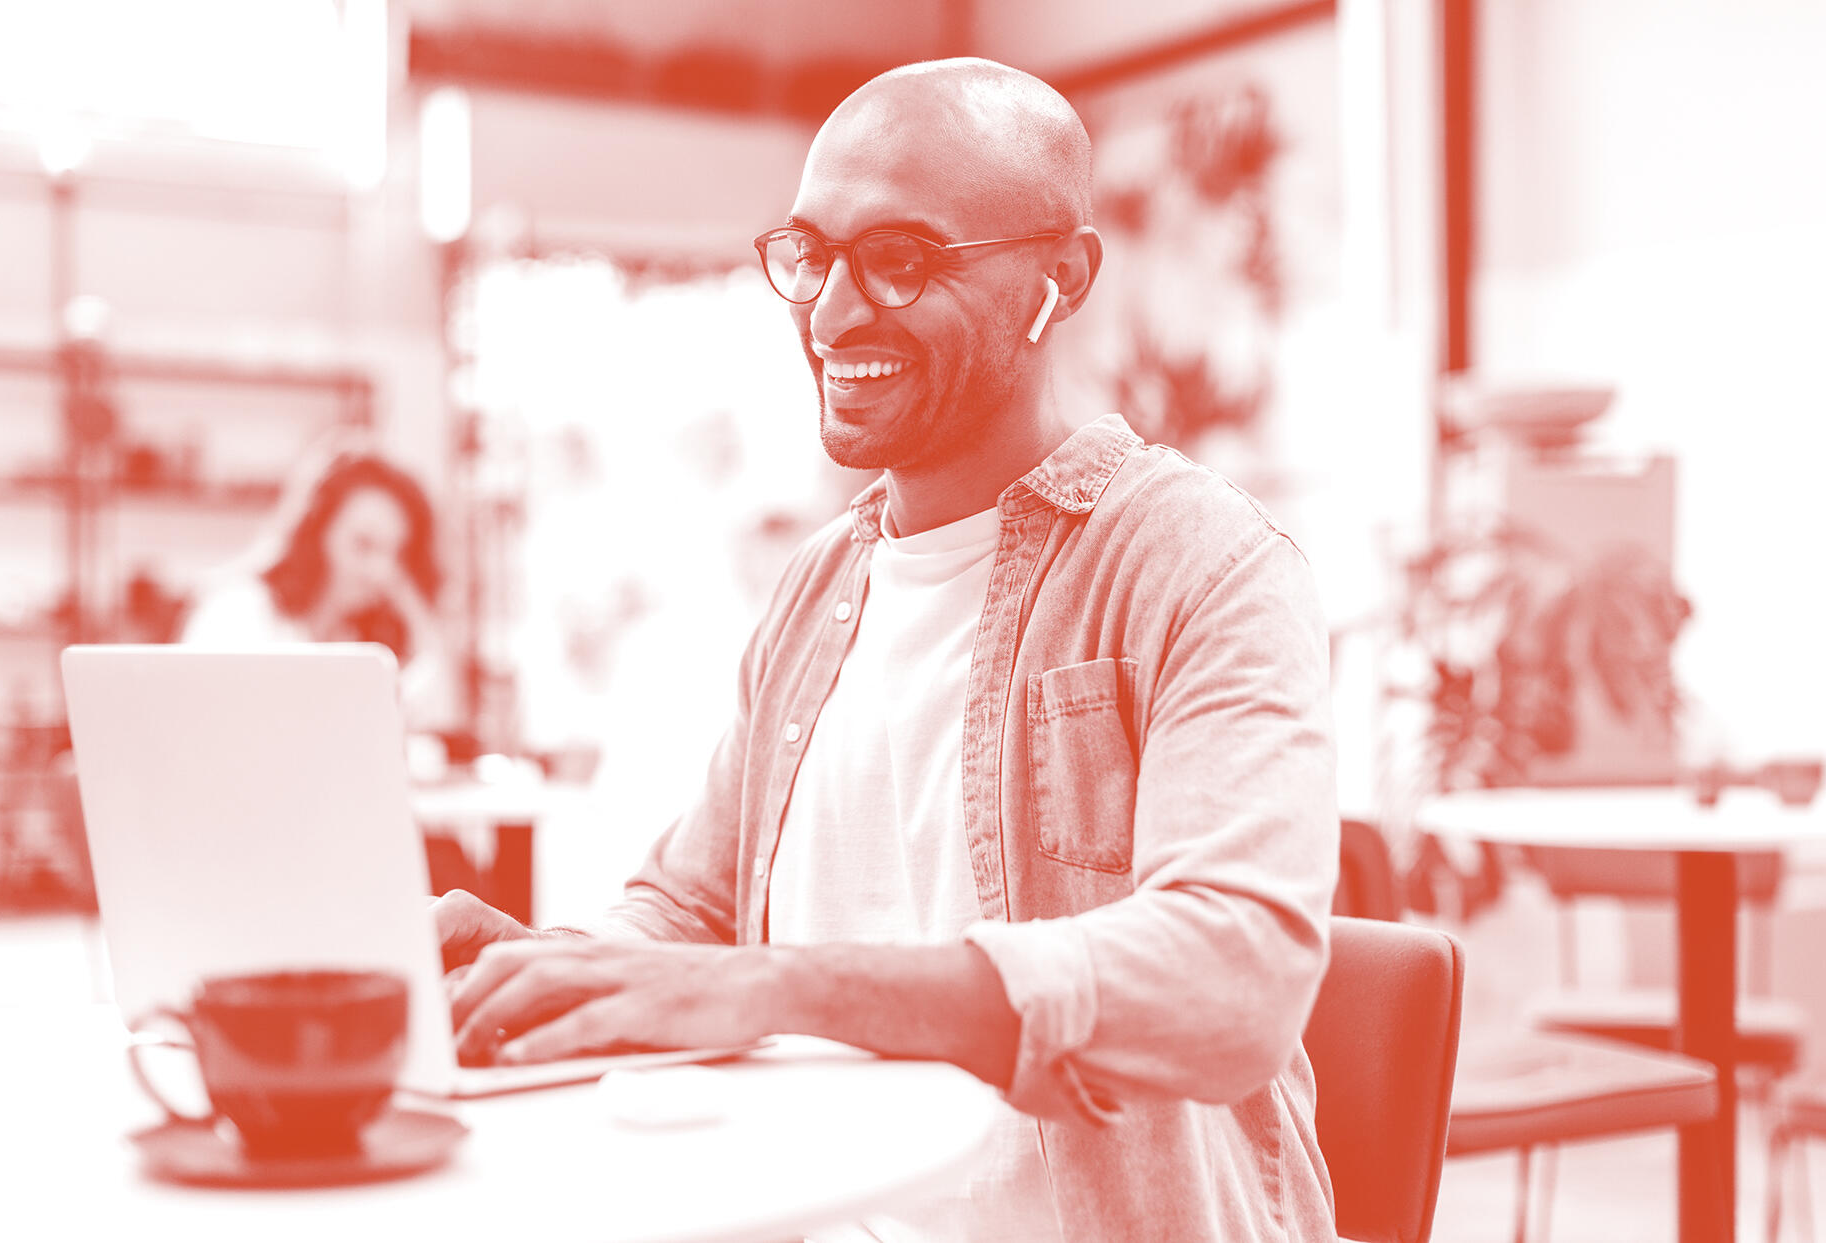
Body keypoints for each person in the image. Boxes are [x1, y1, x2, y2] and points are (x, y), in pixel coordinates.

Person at [437, 58, 1339, 1242]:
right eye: (812, 254)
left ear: (1057, 279)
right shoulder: (820, 584)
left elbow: (1236, 978)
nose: (830, 313)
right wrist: (555, 969)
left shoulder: (1201, 564)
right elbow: (690, 908)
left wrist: (772, 985)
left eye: (901, 259)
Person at [178, 445, 454, 724]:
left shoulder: (360, 643)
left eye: (397, 553)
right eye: (363, 544)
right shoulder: (239, 613)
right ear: (315, 533)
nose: (382, 572)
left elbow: (437, 717)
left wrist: (415, 609)